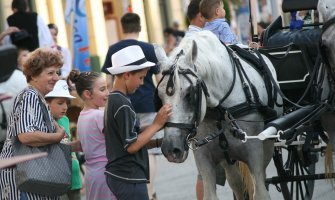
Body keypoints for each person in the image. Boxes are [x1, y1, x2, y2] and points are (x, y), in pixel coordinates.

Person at [101, 12, 163, 200]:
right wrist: (157, 124)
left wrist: (158, 135)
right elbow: (132, 146)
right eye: (141, 78)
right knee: (151, 154)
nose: (142, 83)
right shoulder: (122, 104)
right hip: (129, 178)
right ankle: (151, 191)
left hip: (122, 176)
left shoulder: (115, 99)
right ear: (126, 74)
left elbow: (128, 134)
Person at [0, 47, 64, 199]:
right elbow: (26, 136)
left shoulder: (37, 97)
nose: (56, 77)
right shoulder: (30, 96)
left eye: (57, 72)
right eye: (50, 73)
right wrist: (57, 137)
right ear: (34, 75)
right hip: (25, 183)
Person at [68, 70, 117, 200]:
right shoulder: (99, 115)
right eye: (102, 89)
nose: (107, 93)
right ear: (87, 94)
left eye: (106, 88)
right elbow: (119, 139)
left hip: (92, 174)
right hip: (107, 173)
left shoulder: (82, 116)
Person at [45, 80, 82, 200]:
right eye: (60, 103)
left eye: (66, 103)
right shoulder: (43, 123)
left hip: (74, 177)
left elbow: (66, 143)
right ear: (46, 103)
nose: (65, 107)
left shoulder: (65, 119)